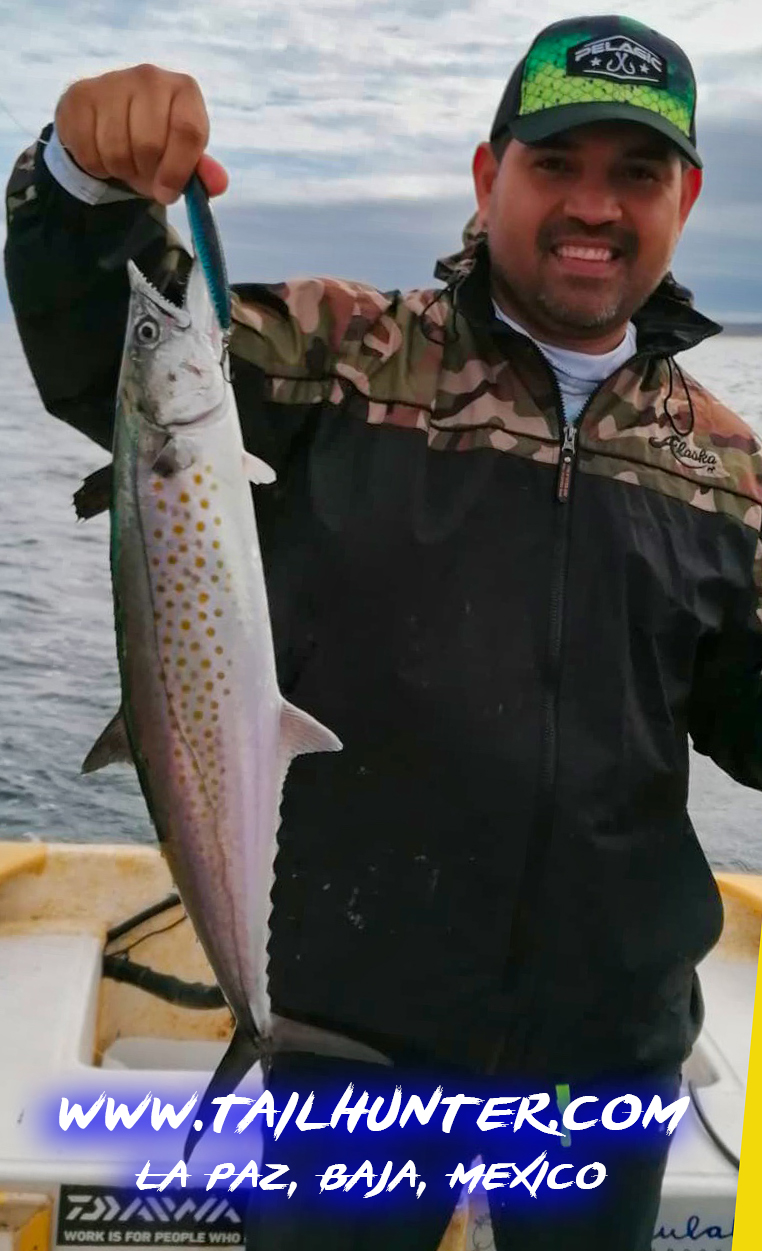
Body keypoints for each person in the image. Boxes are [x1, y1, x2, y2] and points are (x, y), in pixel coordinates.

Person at [5, 12, 761, 1250]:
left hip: (605, 1061)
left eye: (636, 172)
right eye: (556, 164)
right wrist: (82, 185)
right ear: (488, 175)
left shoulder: (727, 468)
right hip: (348, 1045)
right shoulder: (341, 359)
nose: (594, 205)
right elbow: (112, 345)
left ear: (684, 199)